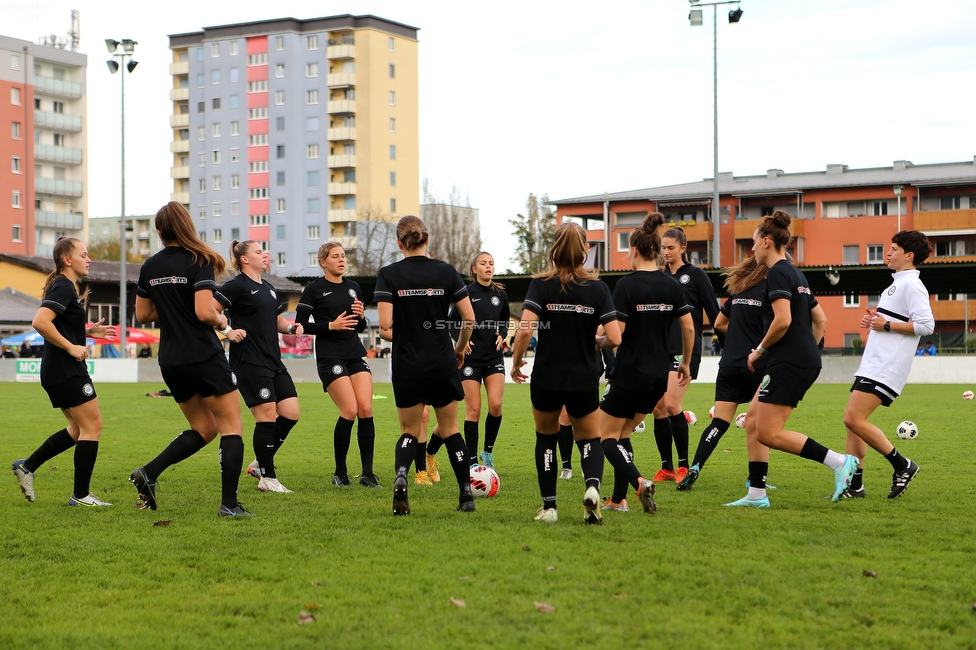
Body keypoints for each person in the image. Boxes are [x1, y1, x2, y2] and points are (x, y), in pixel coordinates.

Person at [726, 211, 858, 508]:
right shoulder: (795, 272)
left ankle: (839, 462)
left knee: (769, 432)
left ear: (767, 241)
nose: (752, 249)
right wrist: (807, 349)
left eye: (754, 242)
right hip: (795, 358)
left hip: (789, 361)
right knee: (753, 424)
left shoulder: (777, 273)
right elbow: (820, 318)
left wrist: (758, 350)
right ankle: (757, 494)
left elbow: (783, 320)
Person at [129, 201, 251, 517]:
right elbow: (202, 311)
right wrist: (224, 323)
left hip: (170, 359)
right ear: (187, 225)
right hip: (202, 353)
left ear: (159, 232)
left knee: (204, 428)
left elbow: (142, 315)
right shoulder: (200, 260)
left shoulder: (150, 266)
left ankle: (148, 473)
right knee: (231, 425)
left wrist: (170, 304)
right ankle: (229, 505)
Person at [511, 222, 621, 524]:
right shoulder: (598, 289)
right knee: (589, 440)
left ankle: (549, 508)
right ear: (586, 250)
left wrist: (516, 362)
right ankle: (592, 490)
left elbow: (524, 330)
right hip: (583, 377)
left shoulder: (541, 285)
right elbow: (615, 337)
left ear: (555, 247)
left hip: (546, 376)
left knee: (546, 439)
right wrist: (596, 342)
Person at [374, 215, 476, 515]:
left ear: (398, 243)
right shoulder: (445, 271)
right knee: (451, 429)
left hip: (407, 363)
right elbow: (469, 319)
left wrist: (408, 335)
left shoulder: (389, 274)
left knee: (408, 430)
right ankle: (466, 495)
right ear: (426, 240)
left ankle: (403, 475)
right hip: (441, 360)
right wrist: (458, 349)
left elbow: (383, 326)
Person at [599, 213, 694, 514]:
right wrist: (686, 363)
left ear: (636, 251)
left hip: (629, 373)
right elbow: (689, 328)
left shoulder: (627, 286)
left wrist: (598, 339)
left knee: (604, 436)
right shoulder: (671, 285)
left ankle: (638, 483)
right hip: (658, 377)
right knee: (623, 434)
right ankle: (617, 500)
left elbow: (618, 335)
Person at [11, 237, 116, 507]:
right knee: (92, 427)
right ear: (67, 260)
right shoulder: (63, 287)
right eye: (83, 255)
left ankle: (27, 466)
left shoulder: (66, 287)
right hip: (66, 370)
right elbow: (40, 321)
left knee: (78, 428)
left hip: (58, 371)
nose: (89, 259)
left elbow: (60, 324)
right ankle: (81, 496)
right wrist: (71, 347)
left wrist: (88, 332)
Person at [843, 231, 934, 499]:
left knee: (853, 418)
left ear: (909, 256)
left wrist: (886, 324)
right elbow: (893, 323)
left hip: (886, 367)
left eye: (893, 249)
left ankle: (902, 465)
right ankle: (854, 485)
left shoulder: (912, 285)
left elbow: (927, 325)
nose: (888, 253)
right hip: (873, 364)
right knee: (853, 423)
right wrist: (878, 320)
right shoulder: (895, 285)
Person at [215, 239, 303, 494]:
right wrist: (228, 330)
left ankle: (258, 464)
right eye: (259, 251)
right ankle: (268, 477)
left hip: (273, 361)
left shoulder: (268, 287)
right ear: (245, 259)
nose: (265, 255)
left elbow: (277, 320)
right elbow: (210, 310)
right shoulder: (236, 286)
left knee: (291, 412)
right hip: (249, 362)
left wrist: (291, 327)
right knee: (266, 417)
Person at [678, 255, 768, 490]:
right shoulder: (771, 292)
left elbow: (718, 323)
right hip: (756, 364)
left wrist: (736, 338)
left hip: (729, 365)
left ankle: (695, 466)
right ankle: (754, 479)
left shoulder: (739, 291)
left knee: (718, 422)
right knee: (759, 424)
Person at [296, 242, 381, 488]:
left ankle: (367, 474)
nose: (341, 260)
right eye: (336, 256)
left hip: (354, 353)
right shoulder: (313, 289)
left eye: (343, 256)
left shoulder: (354, 288)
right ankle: (340, 473)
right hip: (329, 357)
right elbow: (299, 326)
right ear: (323, 262)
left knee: (366, 409)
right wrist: (328, 326)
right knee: (350, 410)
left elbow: (360, 327)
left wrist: (362, 316)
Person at [426, 251, 510, 470]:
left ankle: (487, 452)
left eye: (491, 263)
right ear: (475, 269)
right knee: (473, 410)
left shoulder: (500, 295)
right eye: (483, 263)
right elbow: (451, 322)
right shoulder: (466, 293)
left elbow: (504, 319)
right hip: (470, 360)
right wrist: (460, 341)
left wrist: (503, 332)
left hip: (493, 357)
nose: (488, 266)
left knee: (496, 405)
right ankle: (472, 462)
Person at [650, 226, 720, 484]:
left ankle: (682, 466)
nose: (666, 253)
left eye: (671, 248)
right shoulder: (658, 278)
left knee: (671, 404)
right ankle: (666, 467)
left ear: (682, 248)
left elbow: (715, 314)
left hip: (685, 352)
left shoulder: (695, 276)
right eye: (663, 248)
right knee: (658, 408)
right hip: (659, 350)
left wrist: (728, 345)